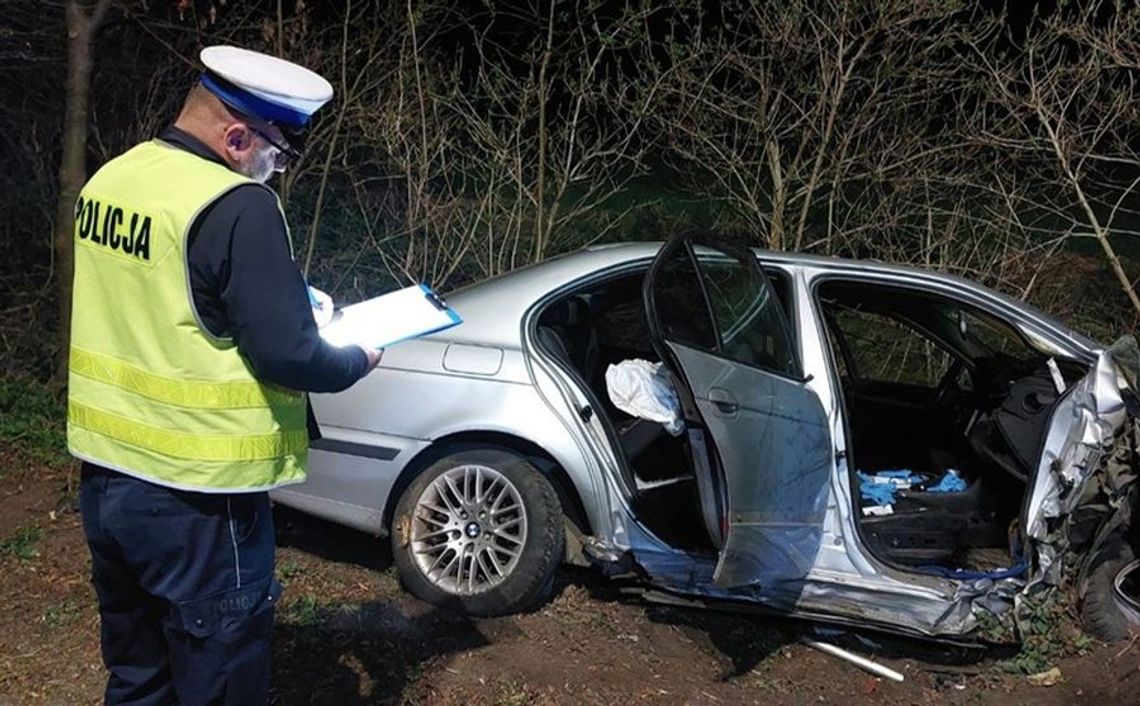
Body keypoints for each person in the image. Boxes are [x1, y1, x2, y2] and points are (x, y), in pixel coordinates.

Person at [67, 45, 380, 705]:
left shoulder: (115, 178)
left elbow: (166, 298)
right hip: (200, 500)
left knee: (139, 676)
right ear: (237, 138)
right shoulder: (239, 206)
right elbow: (291, 356)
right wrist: (357, 358)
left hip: (108, 481)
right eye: (278, 153)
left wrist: (279, 302)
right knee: (221, 682)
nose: (278, 170)